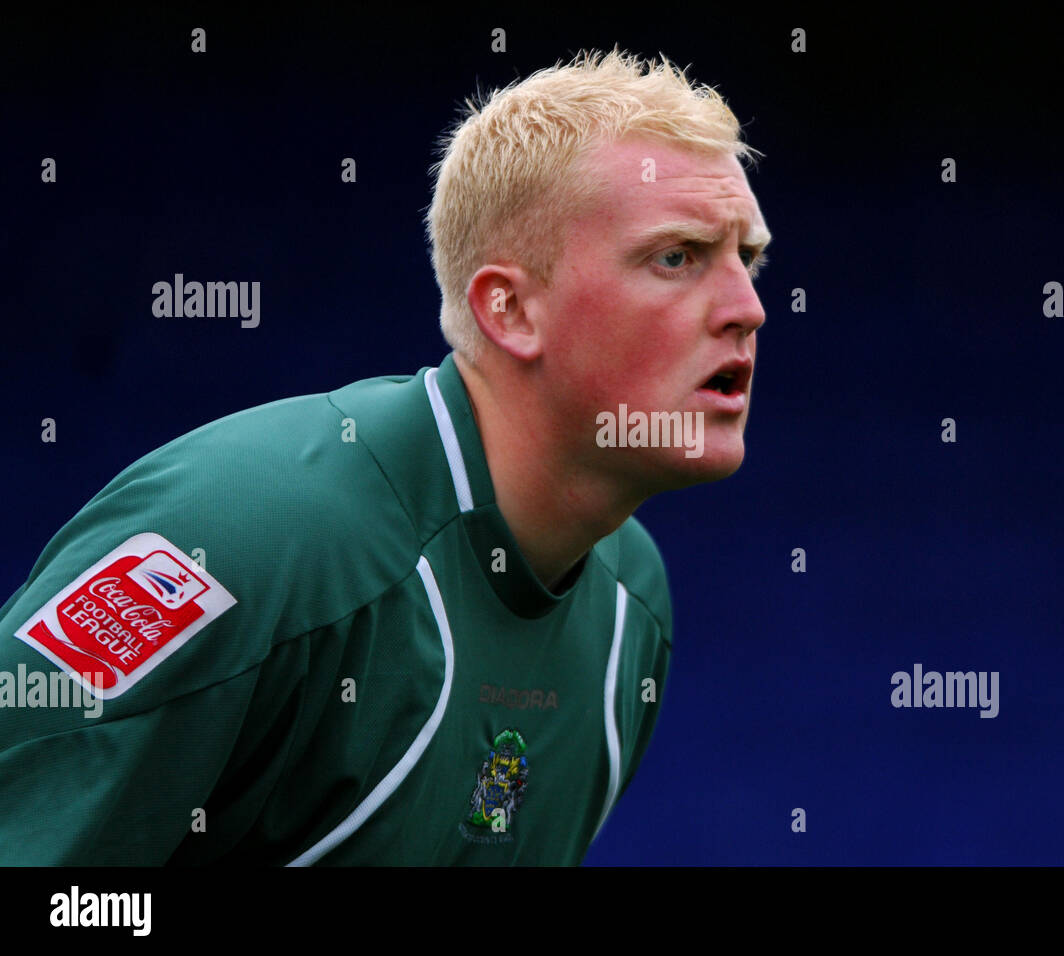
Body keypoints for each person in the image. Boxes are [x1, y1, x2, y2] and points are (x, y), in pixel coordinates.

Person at [0, 48, 770, 865]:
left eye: (748, 259)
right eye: (677, 257)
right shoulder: (246, 535)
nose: (748, 308)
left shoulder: (629, 605)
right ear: (509, 310)